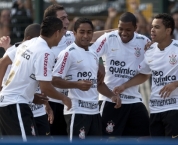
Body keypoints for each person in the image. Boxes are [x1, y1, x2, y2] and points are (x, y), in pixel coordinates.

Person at [0, 16, 71, 141]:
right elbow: (46, 87)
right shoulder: (45, 52)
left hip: (11, 103)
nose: (62, 37)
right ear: (57, 32)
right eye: (63, 32)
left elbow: (3, 63)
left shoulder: (27, 43)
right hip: (15, 104)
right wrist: (64, 98)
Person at [52, 17, 120, 141]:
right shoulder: (68, 53)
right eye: (82, 32)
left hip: (94, 112)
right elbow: (55, 80)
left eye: (89, 32)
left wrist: (112, 96)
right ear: (74, 34)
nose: (85, 36)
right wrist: (77, 84)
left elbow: (98, 84)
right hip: (76, 111)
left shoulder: (94, 54)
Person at [42, 4, 106, 136]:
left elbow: (93, 36)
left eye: (67, 18)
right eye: (63, 18)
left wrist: (118, 31)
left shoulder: (69, 36)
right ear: (52, 22)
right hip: (53, 101)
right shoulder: (42, 44)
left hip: (72, 102)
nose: (67, 21)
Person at [113, 13, 178, 138]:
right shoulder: (150, 51)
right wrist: (124, 86)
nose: (152, 30)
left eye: (157, 27)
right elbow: (144, 74)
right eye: (152, 26)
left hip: (176, 108)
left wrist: (175, 83)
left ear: (168, 30)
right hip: (155, 110)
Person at [91, 12, 150, 138]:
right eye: (121, 29)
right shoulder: (108, 38)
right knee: (106, 139)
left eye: (128, 30)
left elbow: (145, 74)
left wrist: (125, 86)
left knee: (146, 137)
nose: (124, 33)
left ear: (136, 28)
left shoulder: (144, 42)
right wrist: (98, 66)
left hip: (134, 99)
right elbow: (89, 55)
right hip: (109, 99)